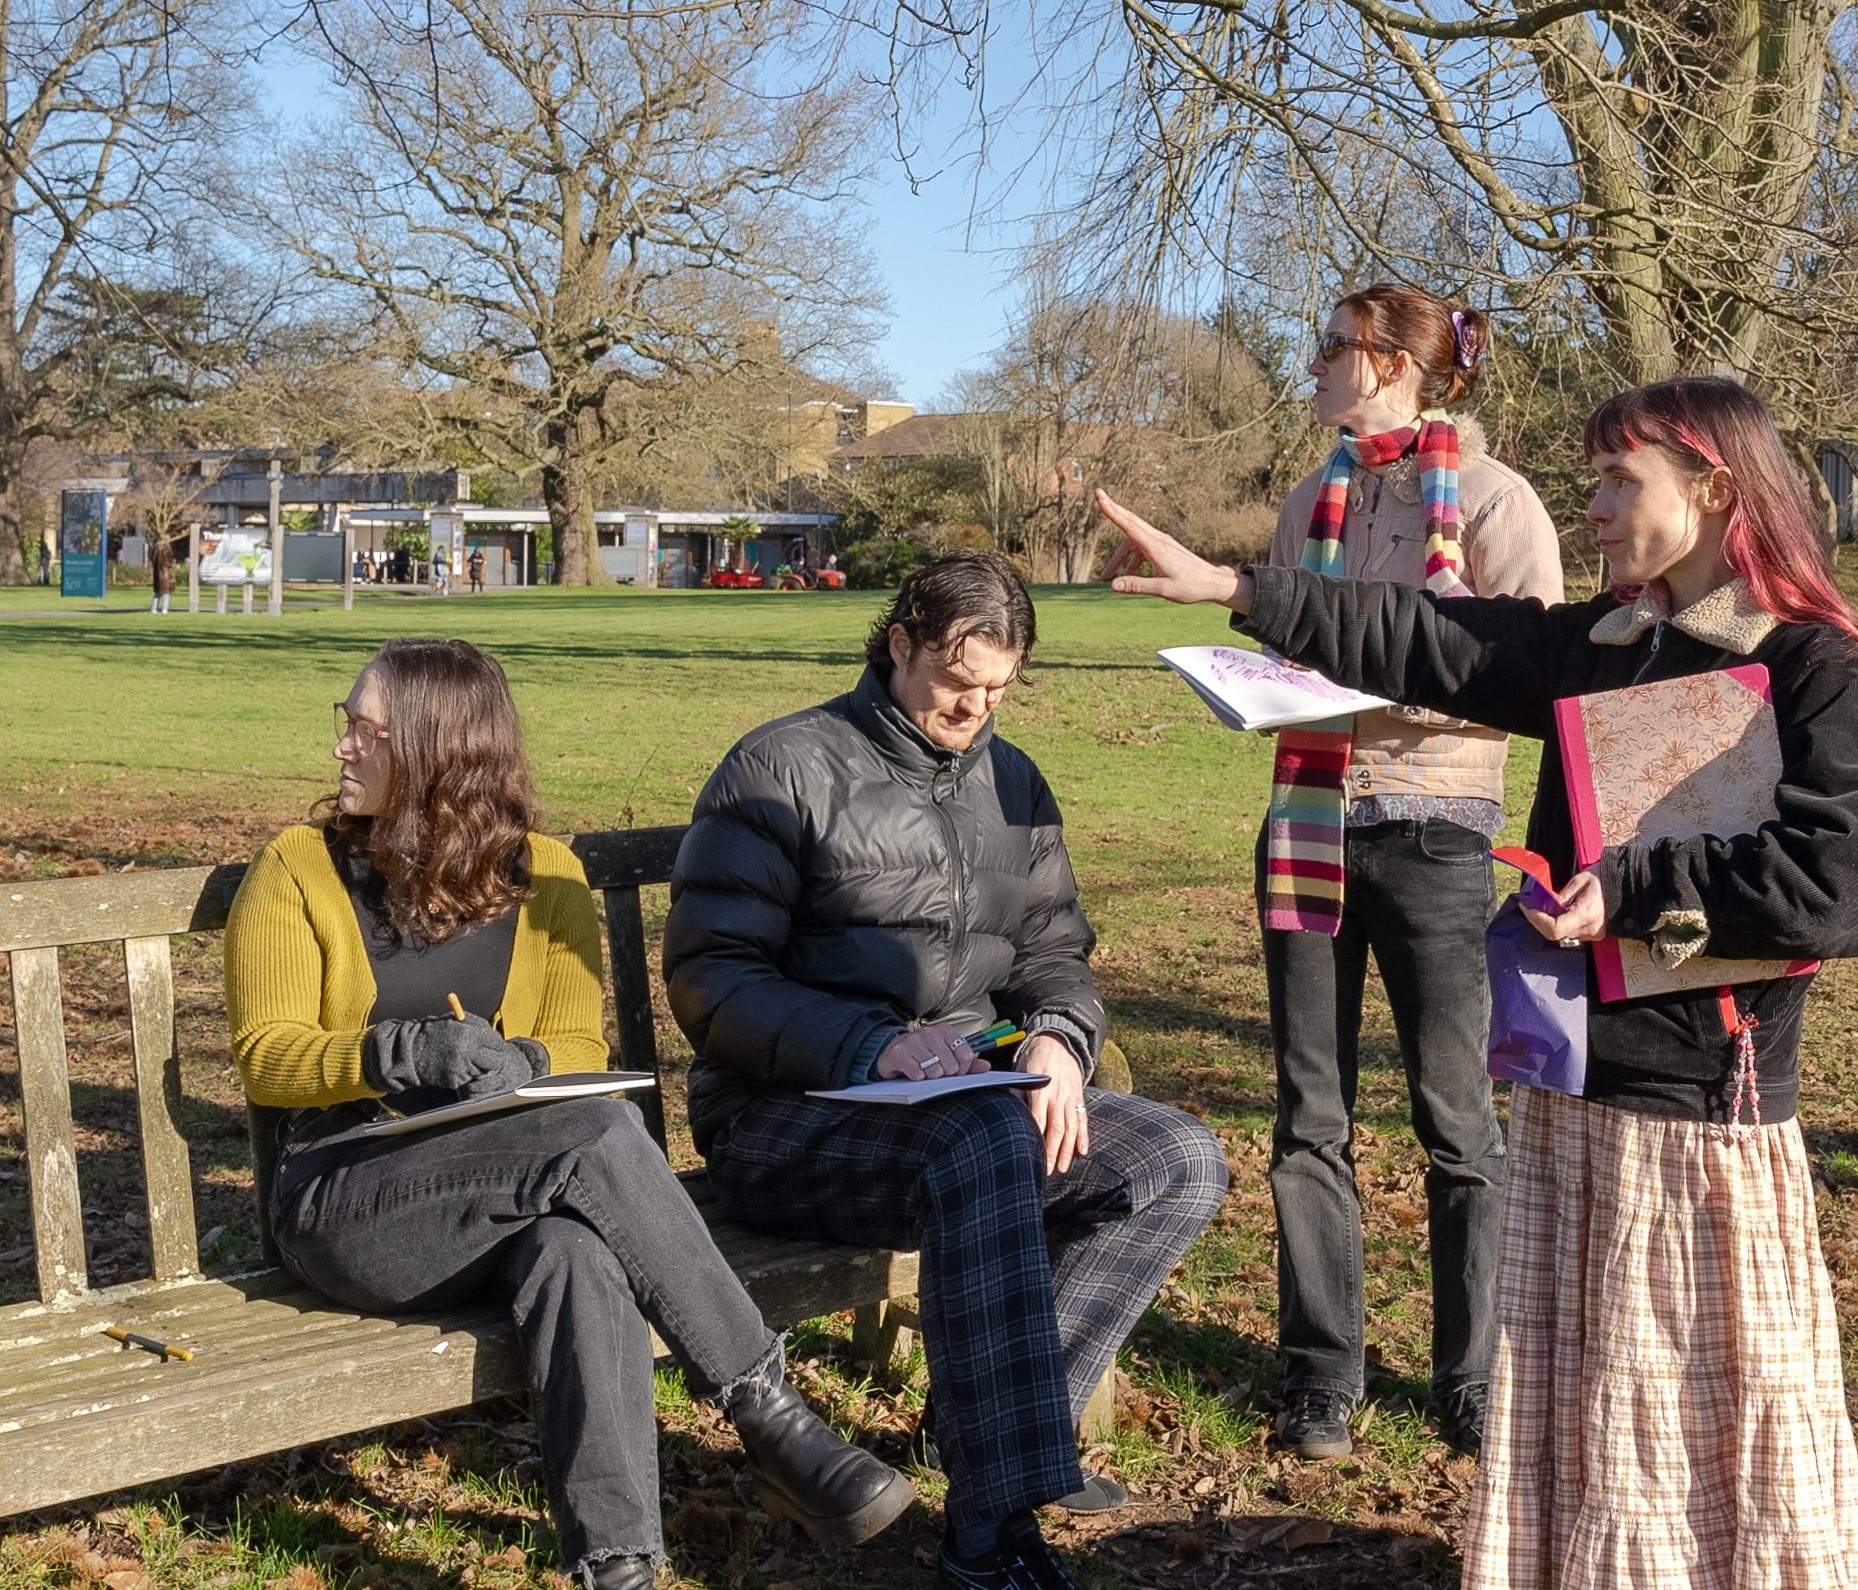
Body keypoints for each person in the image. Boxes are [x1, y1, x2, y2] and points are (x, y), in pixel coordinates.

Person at [1098, 375, 1858, 1590]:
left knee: (1687, 1401)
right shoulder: (1609, 644)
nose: (1593, 506)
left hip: (1700, 1112)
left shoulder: (1814, 665)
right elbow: (1430, 638)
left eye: (1619, 479)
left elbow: (1841, 879)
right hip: (1577, 1085)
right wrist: (1238, 588)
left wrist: (1631, 888)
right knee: (1594, 1394)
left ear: (1714, 489)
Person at [224, 638, 913, 1590]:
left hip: (501, 1199)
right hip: (347, 1199)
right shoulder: (298, 869)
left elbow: (579, 1045)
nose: (342, 746)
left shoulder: (545, 874)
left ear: (436, 751)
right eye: (347, 726)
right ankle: (766, 1411)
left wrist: (531, 1062)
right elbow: (266, 1058)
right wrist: (398, 1053)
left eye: (366, 732)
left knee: (576, 1252)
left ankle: (617, 1568)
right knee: (594, 1133)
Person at [664, 553, 1229, 1590]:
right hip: (782, 1119)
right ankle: (991, 1532)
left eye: (998, 692)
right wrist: (867, 1046)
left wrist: (1058, 1034)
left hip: (966, 1103)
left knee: (1176, 1159)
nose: (975, 711)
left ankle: (981, 1431)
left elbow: (1055, 950)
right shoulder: (781, 768)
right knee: (978, 1144)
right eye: (956, 685)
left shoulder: (1012, 783)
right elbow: (711, 980)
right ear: (900, 645)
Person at [1243, 283, 1563, 1460]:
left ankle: (1471, 1377)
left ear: (1391, 363)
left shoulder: (1493, 499)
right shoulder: (1309, 500)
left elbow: (1525, 673)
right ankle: (1322, 1375)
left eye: (1333, 346)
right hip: (1307, 821)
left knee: (1456, 1120)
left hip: (1436, 831)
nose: (1315, 363)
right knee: (1307, 1117)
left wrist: (1378, 683)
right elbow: (1287, 636)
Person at [149, 534, 176, 614]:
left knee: (158, 592)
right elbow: (168, 562)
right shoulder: (167, 548)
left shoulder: (155, 548)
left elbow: (153, 561)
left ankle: (153, 609)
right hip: (165, 573)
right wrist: (172, 565)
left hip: (157, 573)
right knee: (166, 592)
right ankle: (165, 609)